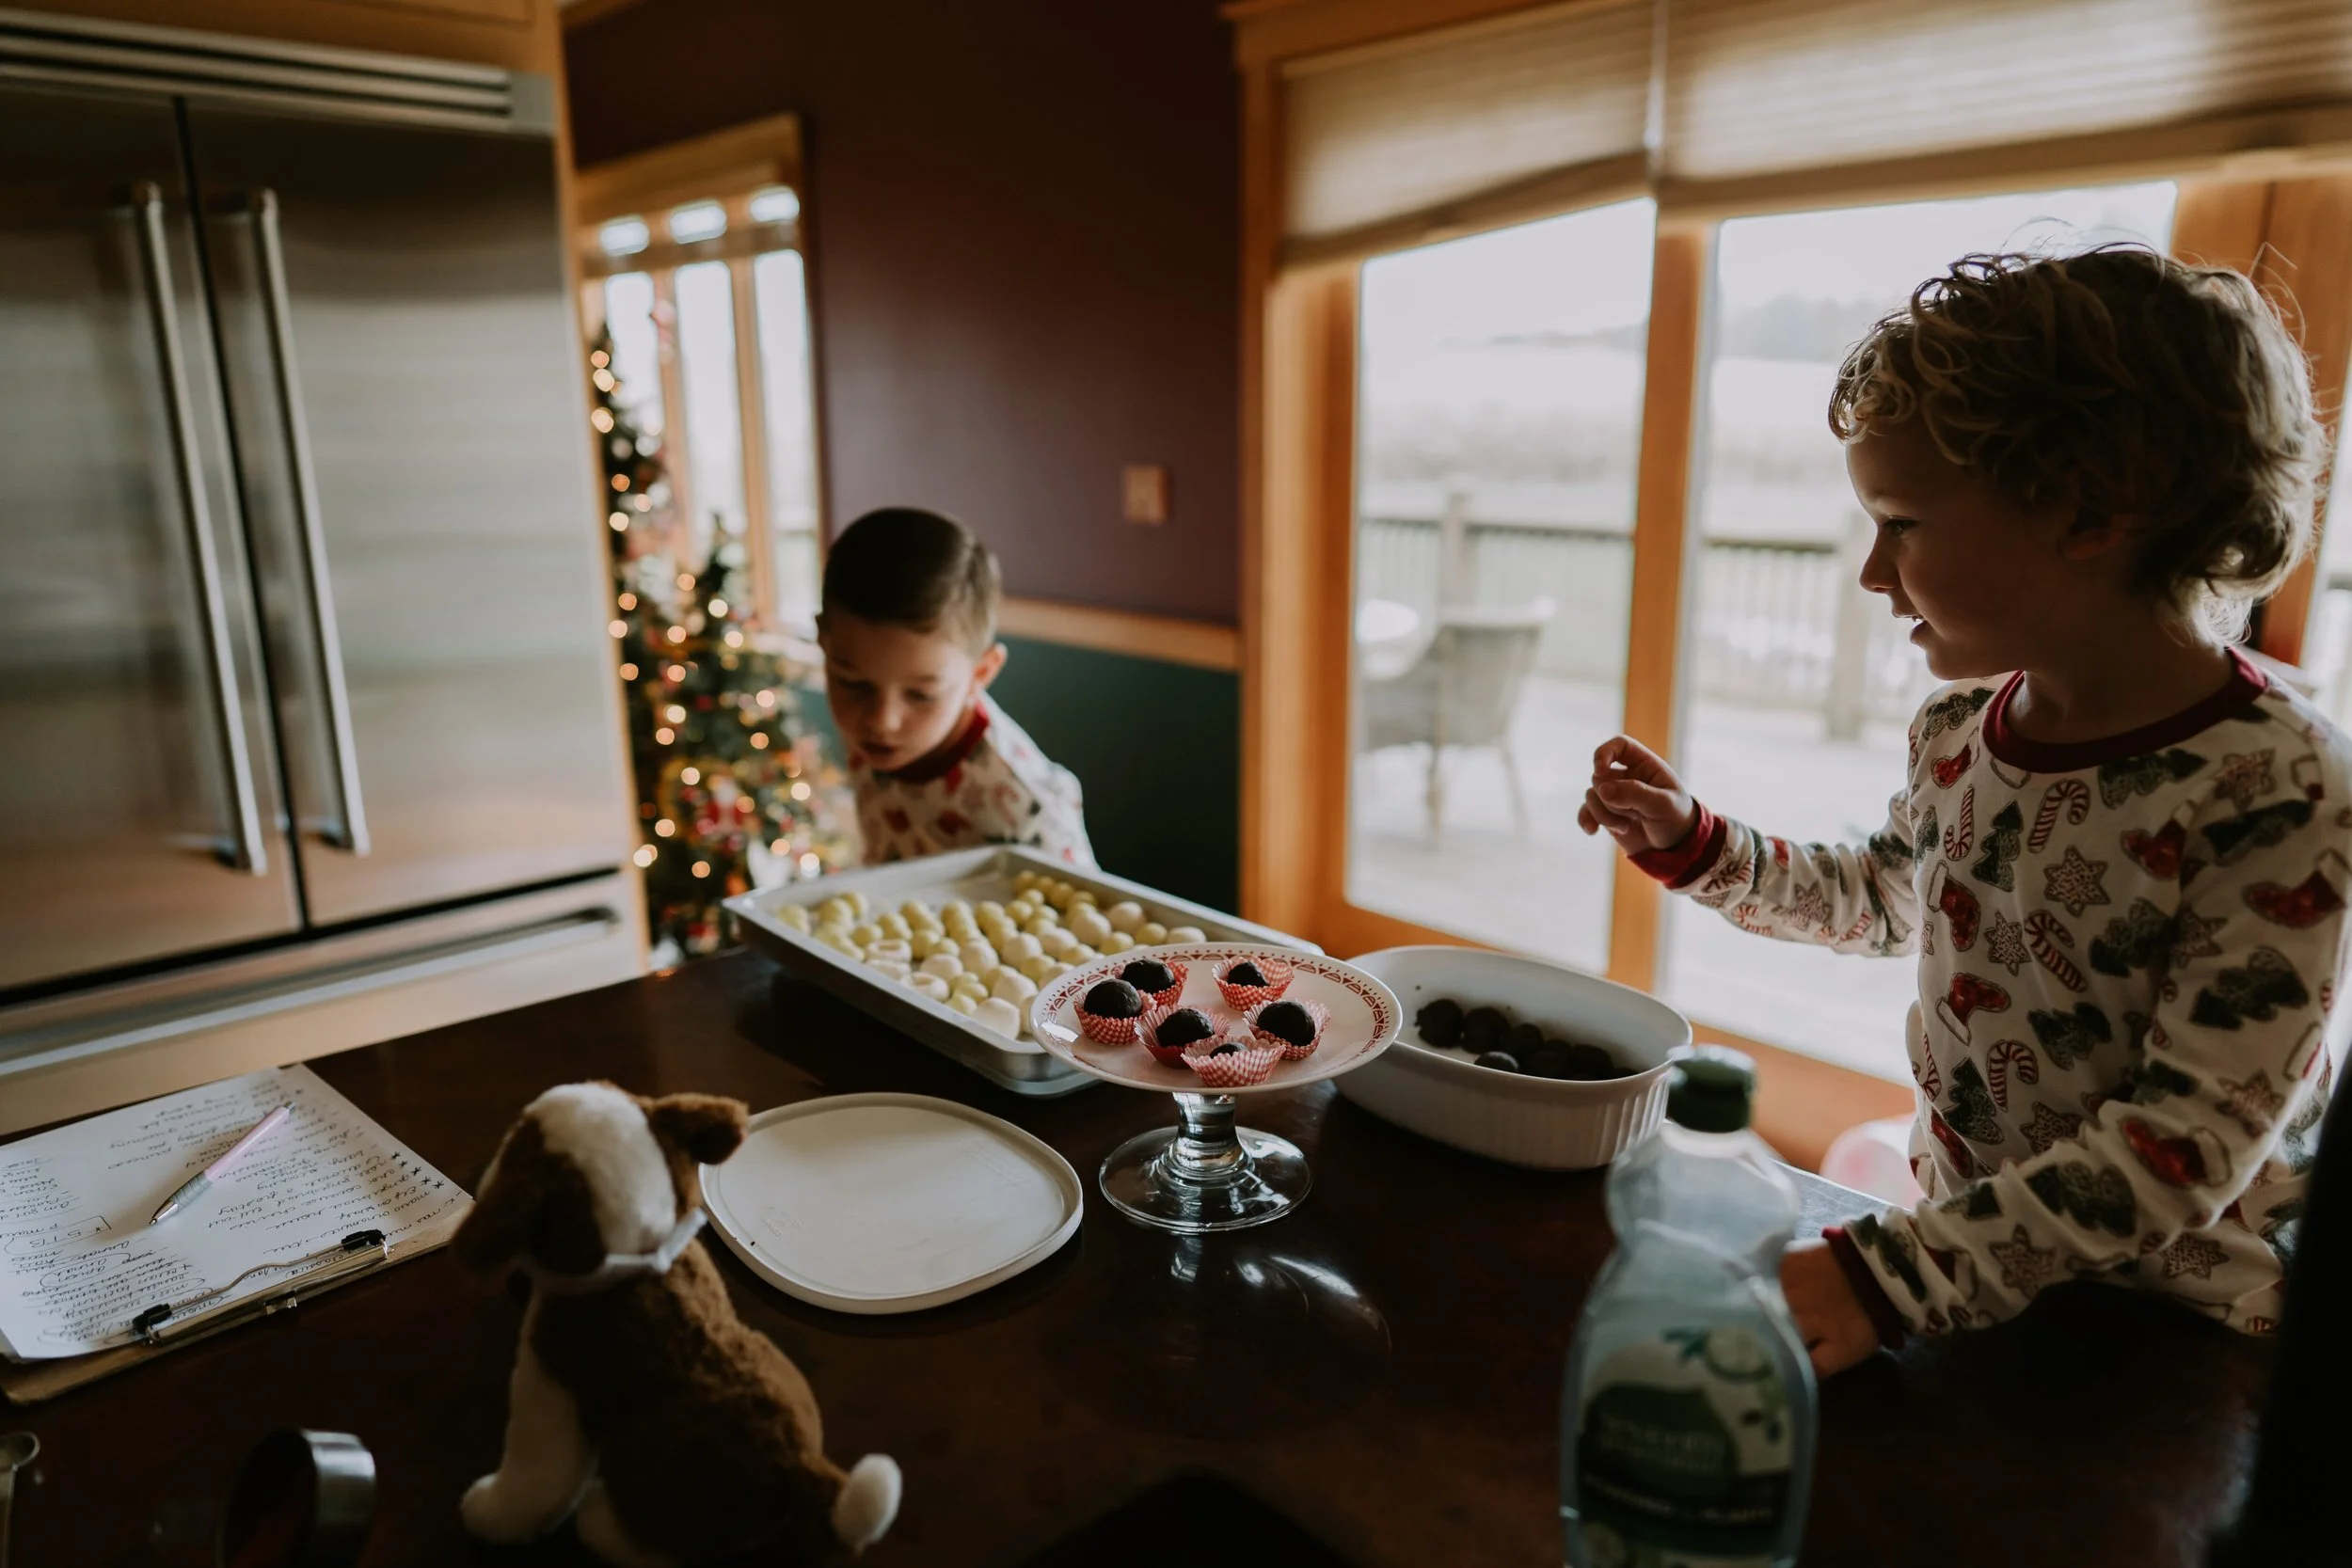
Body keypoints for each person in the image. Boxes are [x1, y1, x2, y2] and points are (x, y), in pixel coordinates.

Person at [1579, 247, 2346, 1376]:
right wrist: (1698, 843)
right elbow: (1884, 900)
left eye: (1903, 522)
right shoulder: (1959, 731)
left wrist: (1885, 1272)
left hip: (2182, 1340)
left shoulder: (2277, 784)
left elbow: (2185, 1141)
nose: (1872, 574)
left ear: (2091, 512)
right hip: (1980, 1283)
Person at [818, 507, 1094, 865]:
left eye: (921, 695)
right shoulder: (870, 733)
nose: (881, 721)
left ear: (980, 674)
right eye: (852, 683)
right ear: (823, 641)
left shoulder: (1028, 807)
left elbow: (1084, 914)